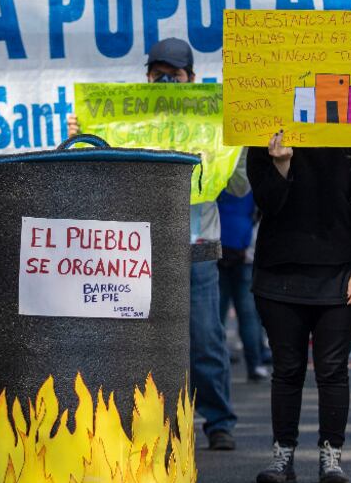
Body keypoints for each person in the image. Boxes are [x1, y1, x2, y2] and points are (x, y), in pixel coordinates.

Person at [68, 37, 248, 450]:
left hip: (197, 244)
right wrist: (84, 135)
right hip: (139, 248)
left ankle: (219, 421)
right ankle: (153, 424)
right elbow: (97, 171)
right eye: (157, 74)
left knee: (205, 336)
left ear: (192, 80)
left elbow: (239, 188)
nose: (165, 80)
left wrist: (236, 142)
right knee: (140, 340)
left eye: (175, 74)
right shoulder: (128, 122)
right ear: (146, 77)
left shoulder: (214, 125)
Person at [249, 133, 351, 483]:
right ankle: (282, 456)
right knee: (287, 369)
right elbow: (266, 204)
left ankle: (331, 456)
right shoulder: (263, 140)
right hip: (280, 274)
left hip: (339, 273)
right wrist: (281, 163)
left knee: (332, 369)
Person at [217, 187, 268, 382]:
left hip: (218, 252)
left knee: (218, 314)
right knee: (248, 315)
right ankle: (255, 364)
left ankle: (219, 364)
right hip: (245, 254)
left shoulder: (217, 181)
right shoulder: (249, 185)